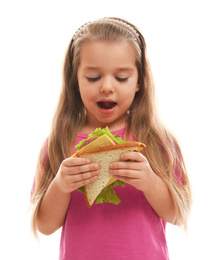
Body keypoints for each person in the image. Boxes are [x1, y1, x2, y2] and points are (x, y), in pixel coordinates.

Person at [30, 17, 192, 260]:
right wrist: (61, 185)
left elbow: (178, 214)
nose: (106, 87)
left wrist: (149, 181)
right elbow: (45, 225)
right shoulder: (59, 142)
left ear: (140, 81)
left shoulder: (157, 140)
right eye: (93, 78)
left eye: (122, 78)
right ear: (75, 80)